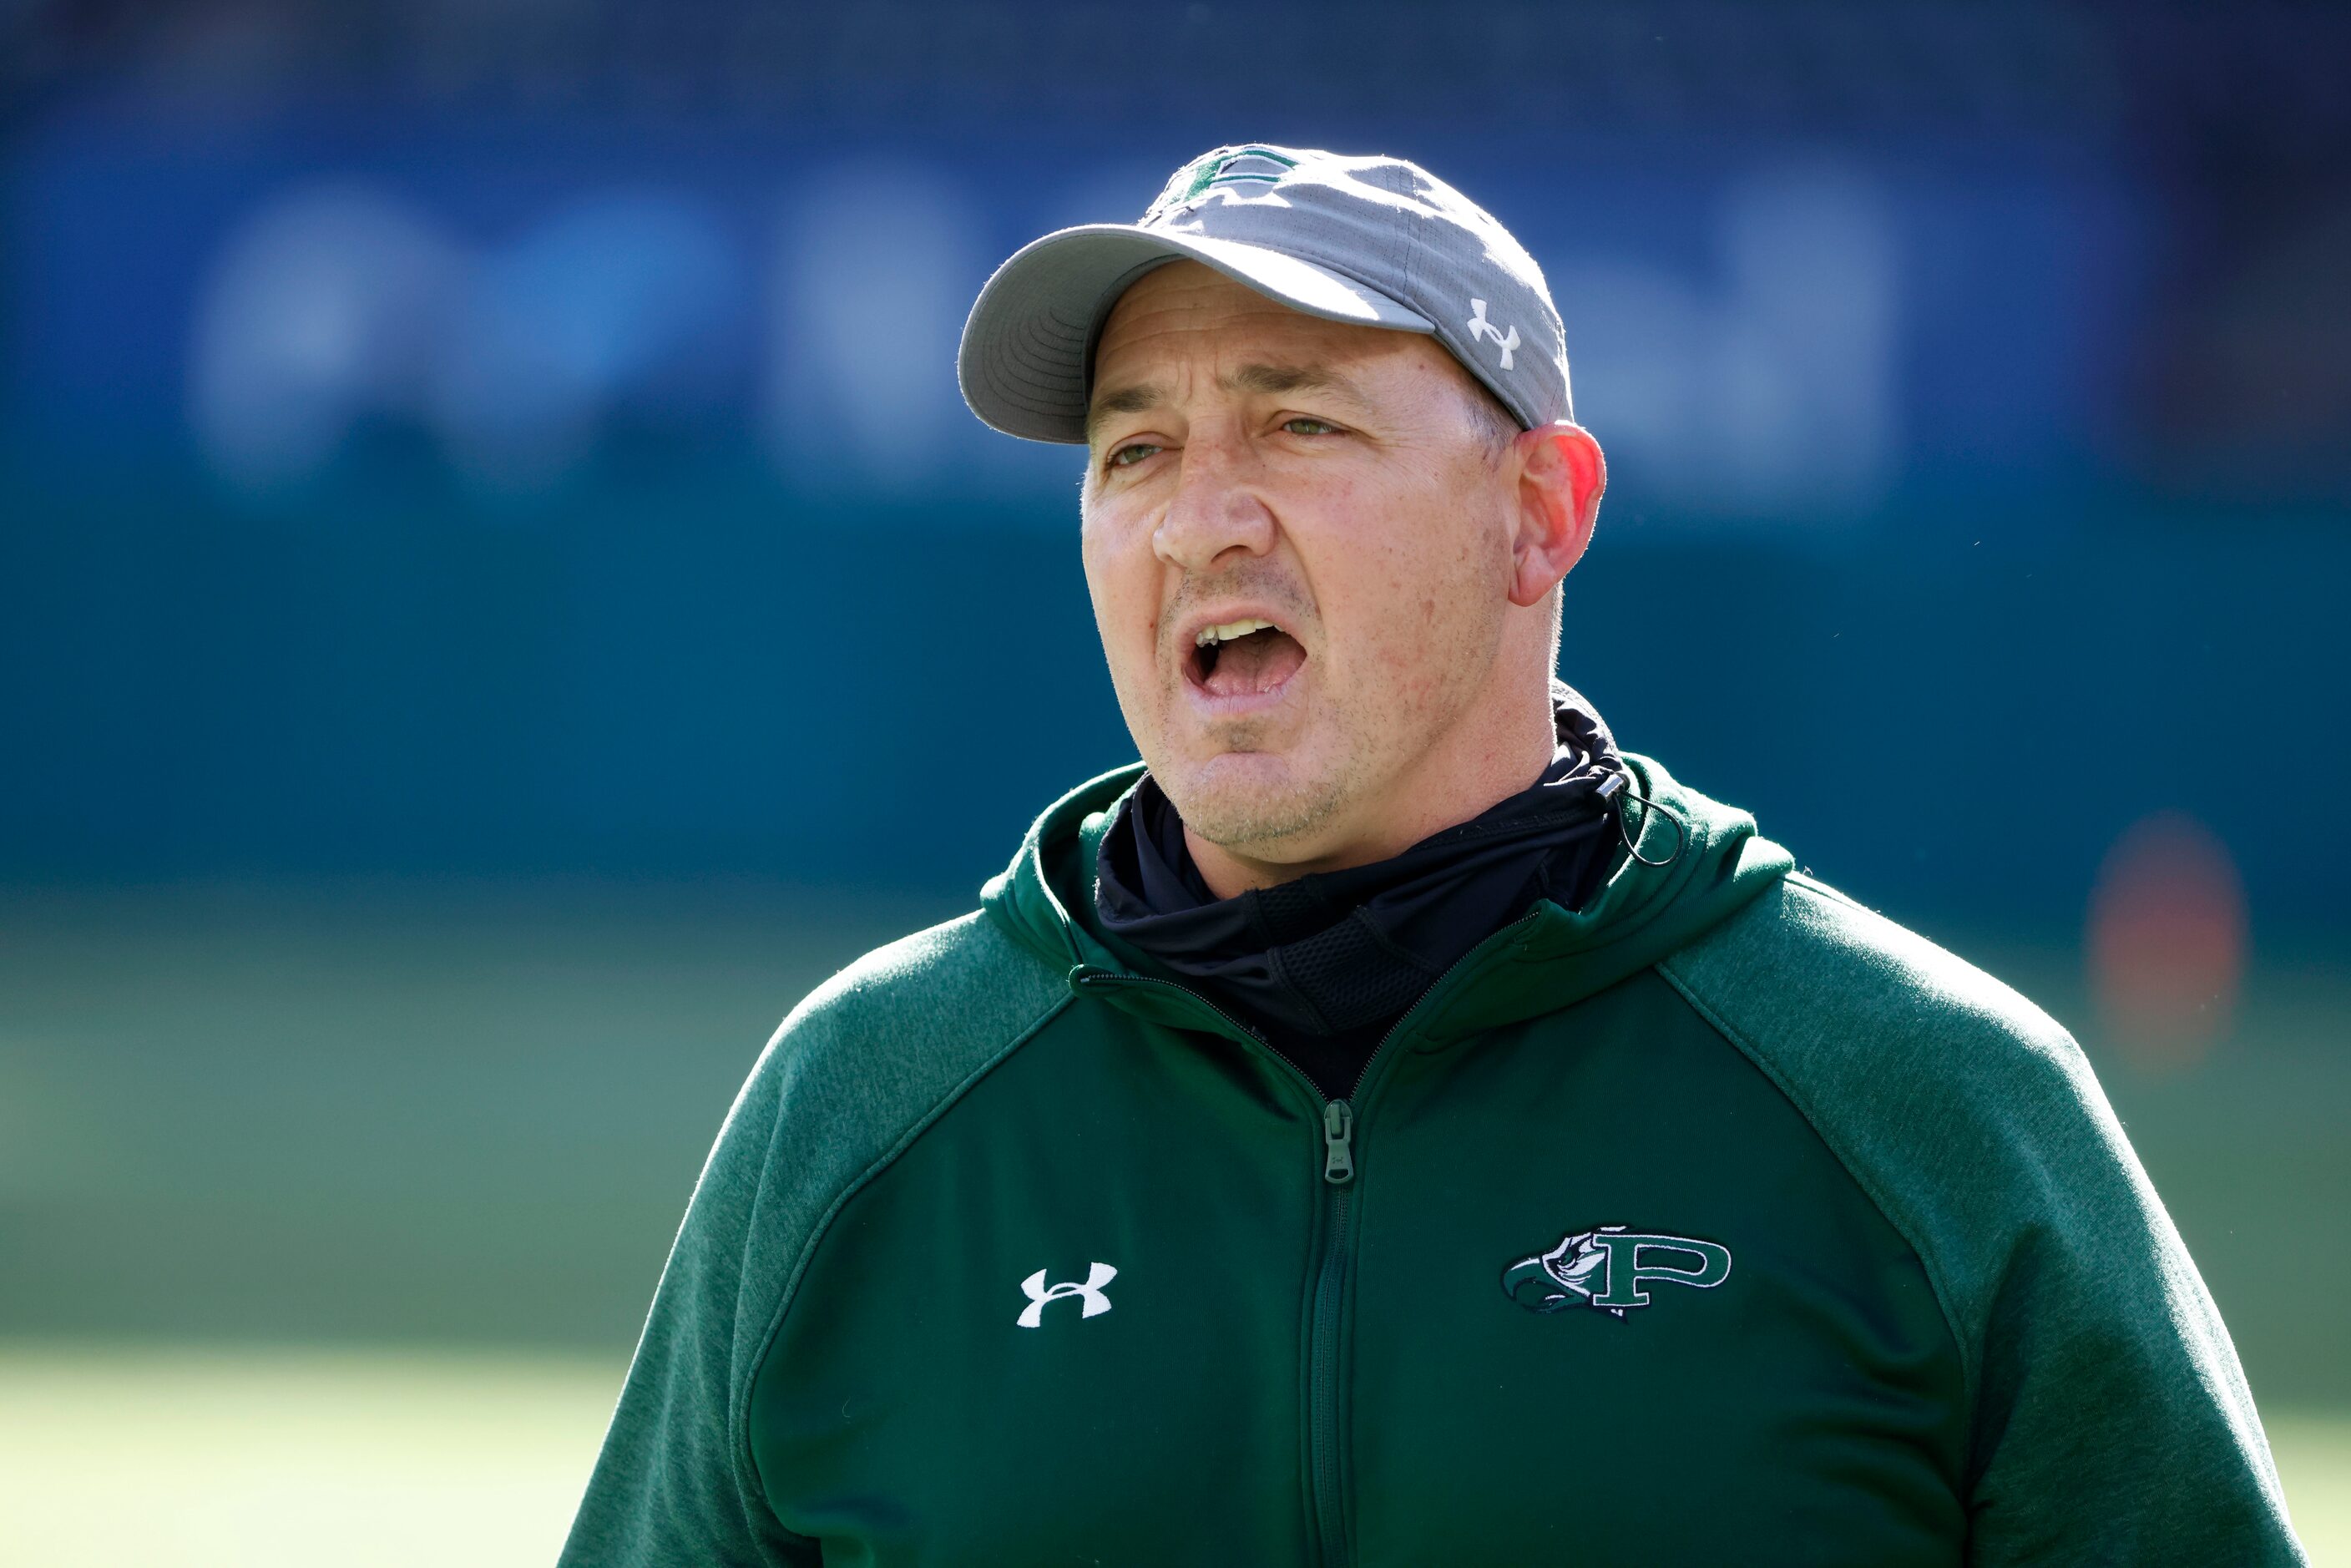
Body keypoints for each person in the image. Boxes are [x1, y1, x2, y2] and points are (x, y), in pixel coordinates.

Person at [560, 144, 2304, 1565]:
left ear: (1537, 515)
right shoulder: (870, 1106)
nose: (1196, 517)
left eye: (1297, 423)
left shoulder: (1924, 1103)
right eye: (1133, 450)